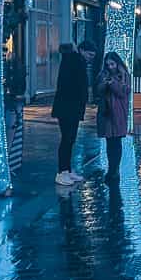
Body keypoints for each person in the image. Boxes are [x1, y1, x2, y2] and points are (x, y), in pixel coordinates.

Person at [51, 43, 88, 186]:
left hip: (71, 108)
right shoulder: (74, 62)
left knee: (70, 139)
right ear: (82, 50)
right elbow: (73, 86)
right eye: (89, 54)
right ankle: (61, 172)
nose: (90, 58)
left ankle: (66, 170)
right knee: (67, 139)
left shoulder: (75, 61)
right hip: (68, 109)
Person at [96, 51, 131, 181]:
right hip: (106, 113)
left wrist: (113, 83)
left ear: (117, 63)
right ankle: (111, 169)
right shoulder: (103, 74)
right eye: (108, 64)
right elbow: (98, 90)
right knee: (109, 142)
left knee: (116, 142)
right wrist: (105, 83)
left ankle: (114, 170)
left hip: (118, 113)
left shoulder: (124, 76)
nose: (110, 67)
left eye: (112, 64)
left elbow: (123, 92)